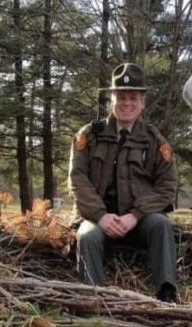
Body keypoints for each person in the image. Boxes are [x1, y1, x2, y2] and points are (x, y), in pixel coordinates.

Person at [69, 62, 178, 302]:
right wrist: (100, 216)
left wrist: (136, 215)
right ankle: (94, 300)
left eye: (133, 98)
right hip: (98, 220)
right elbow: (77, 179)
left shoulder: (153, 139)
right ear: (112, 100)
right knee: (86, 236)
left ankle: (167, 294)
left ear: (142, 103)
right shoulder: (89, 135)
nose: (127, 103)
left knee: (161, 224)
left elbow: (167, 185)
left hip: (139, 221)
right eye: (121, 97)